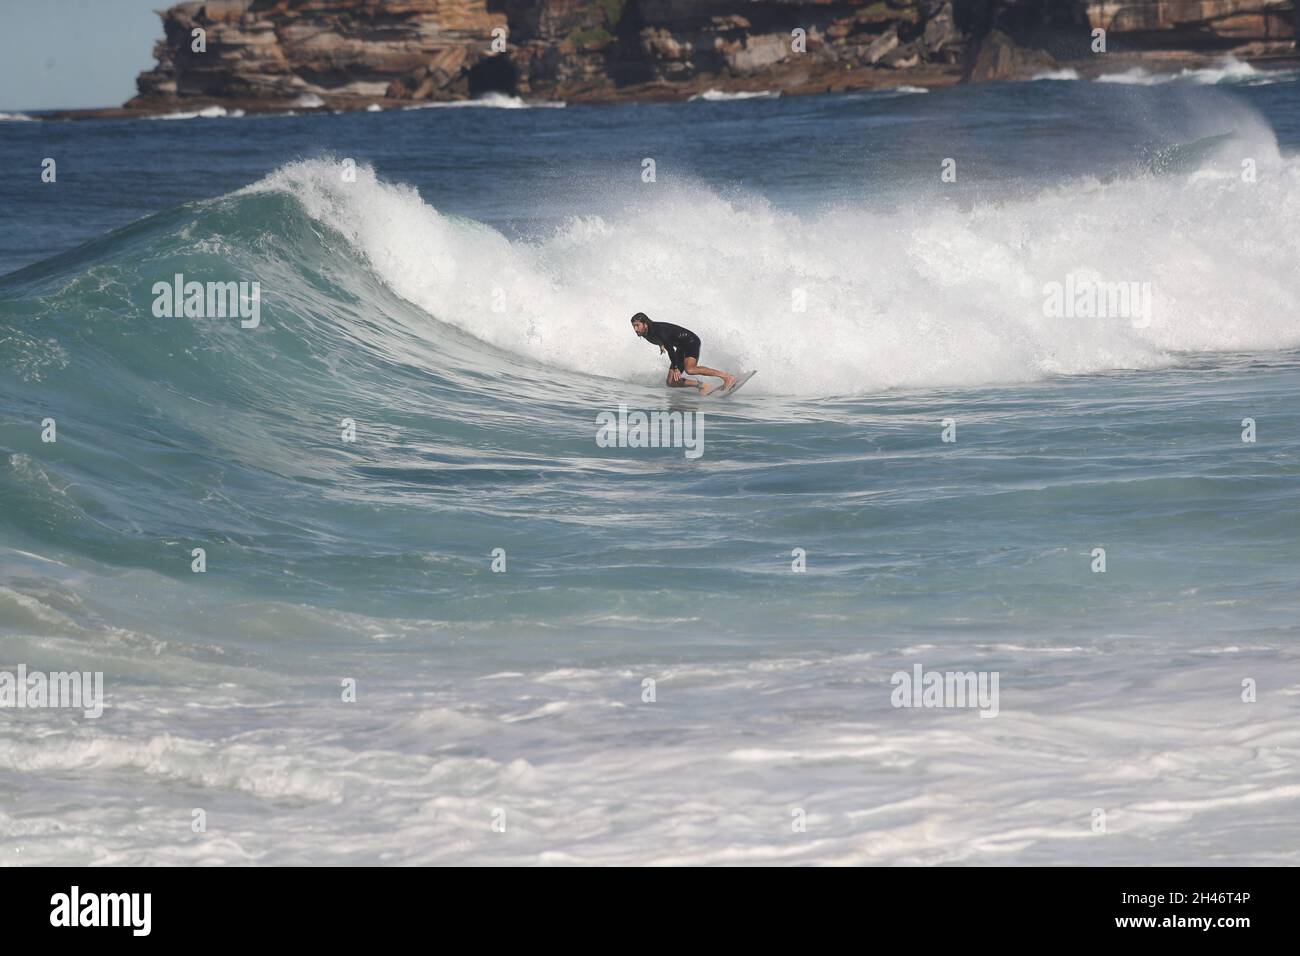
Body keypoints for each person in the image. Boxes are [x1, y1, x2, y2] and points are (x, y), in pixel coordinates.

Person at [630, 313, 736, 395]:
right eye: (634, 326)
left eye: (637, 325)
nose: (635, 329)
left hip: (690, 341)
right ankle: (703, 386)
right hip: (681, 346)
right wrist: (660, 345)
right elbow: (660, 340)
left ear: (645, 323)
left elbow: (670, 349)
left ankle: (727, 377)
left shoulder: (657, 330)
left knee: (690, 369)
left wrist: (676, 368)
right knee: (671, 382)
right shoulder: (644, 332)